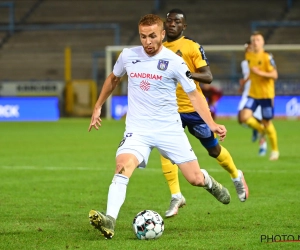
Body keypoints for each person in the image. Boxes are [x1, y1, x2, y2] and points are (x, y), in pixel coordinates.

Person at [88, 14, 231, 239]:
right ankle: (110, 220)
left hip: (169, 130)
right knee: (122, 168)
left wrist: (211, 123)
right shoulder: (128, 56)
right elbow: (113, 79)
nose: (148, 42)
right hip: (138, 131)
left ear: (162, 34)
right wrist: (97, 106)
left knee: (193, 179)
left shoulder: (174, 61)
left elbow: (194, 95)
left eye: (153, 36)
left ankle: (209, 182)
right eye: (143, 36)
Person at [161, 9, 248, 218]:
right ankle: (176, 195)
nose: (172, 24)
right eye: (169, 20)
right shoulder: (158, 48)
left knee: (213, 150)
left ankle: (236, 175)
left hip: (193, 109)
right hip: (169, 111)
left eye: (177, 21)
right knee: (166, 151)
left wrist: (186, 74)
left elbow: (208, 76)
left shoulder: (192, 47)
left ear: (184, 26)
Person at [239, 31, 279, 161]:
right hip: (253, 94)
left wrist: (261, 73)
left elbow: (274, 75)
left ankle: (274, 150)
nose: (255, 42)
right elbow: (251, 72)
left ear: (262, 43)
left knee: (267, 122)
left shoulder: (267, 57)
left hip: (266, 95)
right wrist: (244, 81)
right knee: (244, 117)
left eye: (258, 40)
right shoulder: (249, 55)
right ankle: (261, 130)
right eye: (253, 40)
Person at [238, 41, 267, 156]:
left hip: (258, 93)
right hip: (247, 93)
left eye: (249, 48)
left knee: (260, 120)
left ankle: (263, 146)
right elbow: (248, 76)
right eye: (246, 49)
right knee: (241, 118)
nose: (247, 50)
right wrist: (242, 86)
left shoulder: (259, 60)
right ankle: (256, 129)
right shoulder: (244, 63)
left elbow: (255, 75)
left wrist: (245, 81)